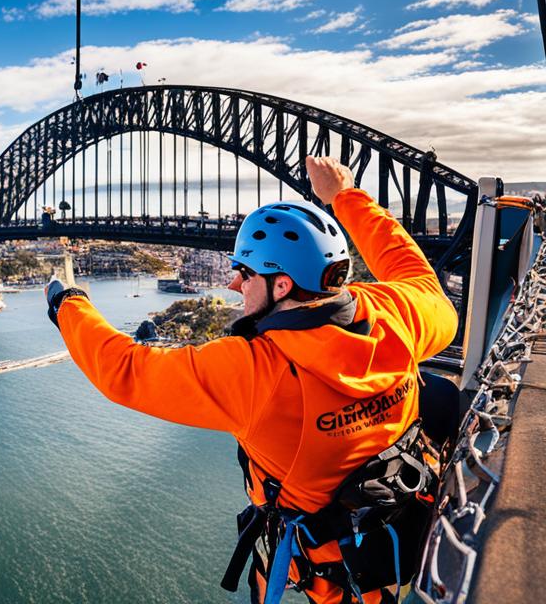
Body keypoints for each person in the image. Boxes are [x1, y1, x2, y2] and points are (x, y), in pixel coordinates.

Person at [45, 156, 458, 604]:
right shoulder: (399, 314)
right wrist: (345, 196)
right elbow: (411, 269)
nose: (233, 283)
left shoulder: (253, 371)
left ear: (281, 286)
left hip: (330, 573)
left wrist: (68, 303)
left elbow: (122, 370)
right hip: (407, 523)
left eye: (245, 273)